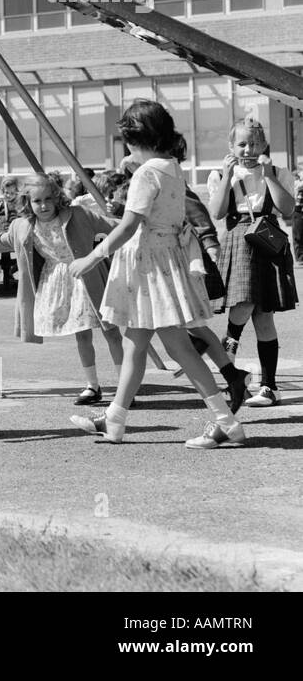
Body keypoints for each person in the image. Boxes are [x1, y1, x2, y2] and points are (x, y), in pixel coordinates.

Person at [68, 100, 244, 449]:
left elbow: (131, 225)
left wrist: (92, 256)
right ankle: (115, 420)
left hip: (147, 266)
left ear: (135, 138)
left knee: (175, 349)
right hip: (164, 263)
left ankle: (227, 423)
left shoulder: (148, 173)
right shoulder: (171, 167)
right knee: (142, 346)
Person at [0, 173, 124, 406]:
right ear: (27, 203)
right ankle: (92, 386)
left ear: (57, 198)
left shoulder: (79, 215)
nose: (43, 205)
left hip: (90, 277)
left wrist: (123, 211)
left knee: (111, 331)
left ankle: (124, 387)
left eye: (48, 199)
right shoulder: (22, 227)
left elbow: (118, 227)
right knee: (81, 335)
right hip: (60, 282)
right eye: (37, 201)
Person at [207, 117, 296, 407]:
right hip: (238, 241)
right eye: (242, 144)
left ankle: (268, 387)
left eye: (255, 143)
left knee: (265, 318)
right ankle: (232, 371)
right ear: (231, 146)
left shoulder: (278, 173)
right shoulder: (221, 175)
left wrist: (269, 175)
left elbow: (288, 211)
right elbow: (217, 212)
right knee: (243, 303)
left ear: (264, 145)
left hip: (268, 241)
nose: (248, 149)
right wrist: (226, 175)